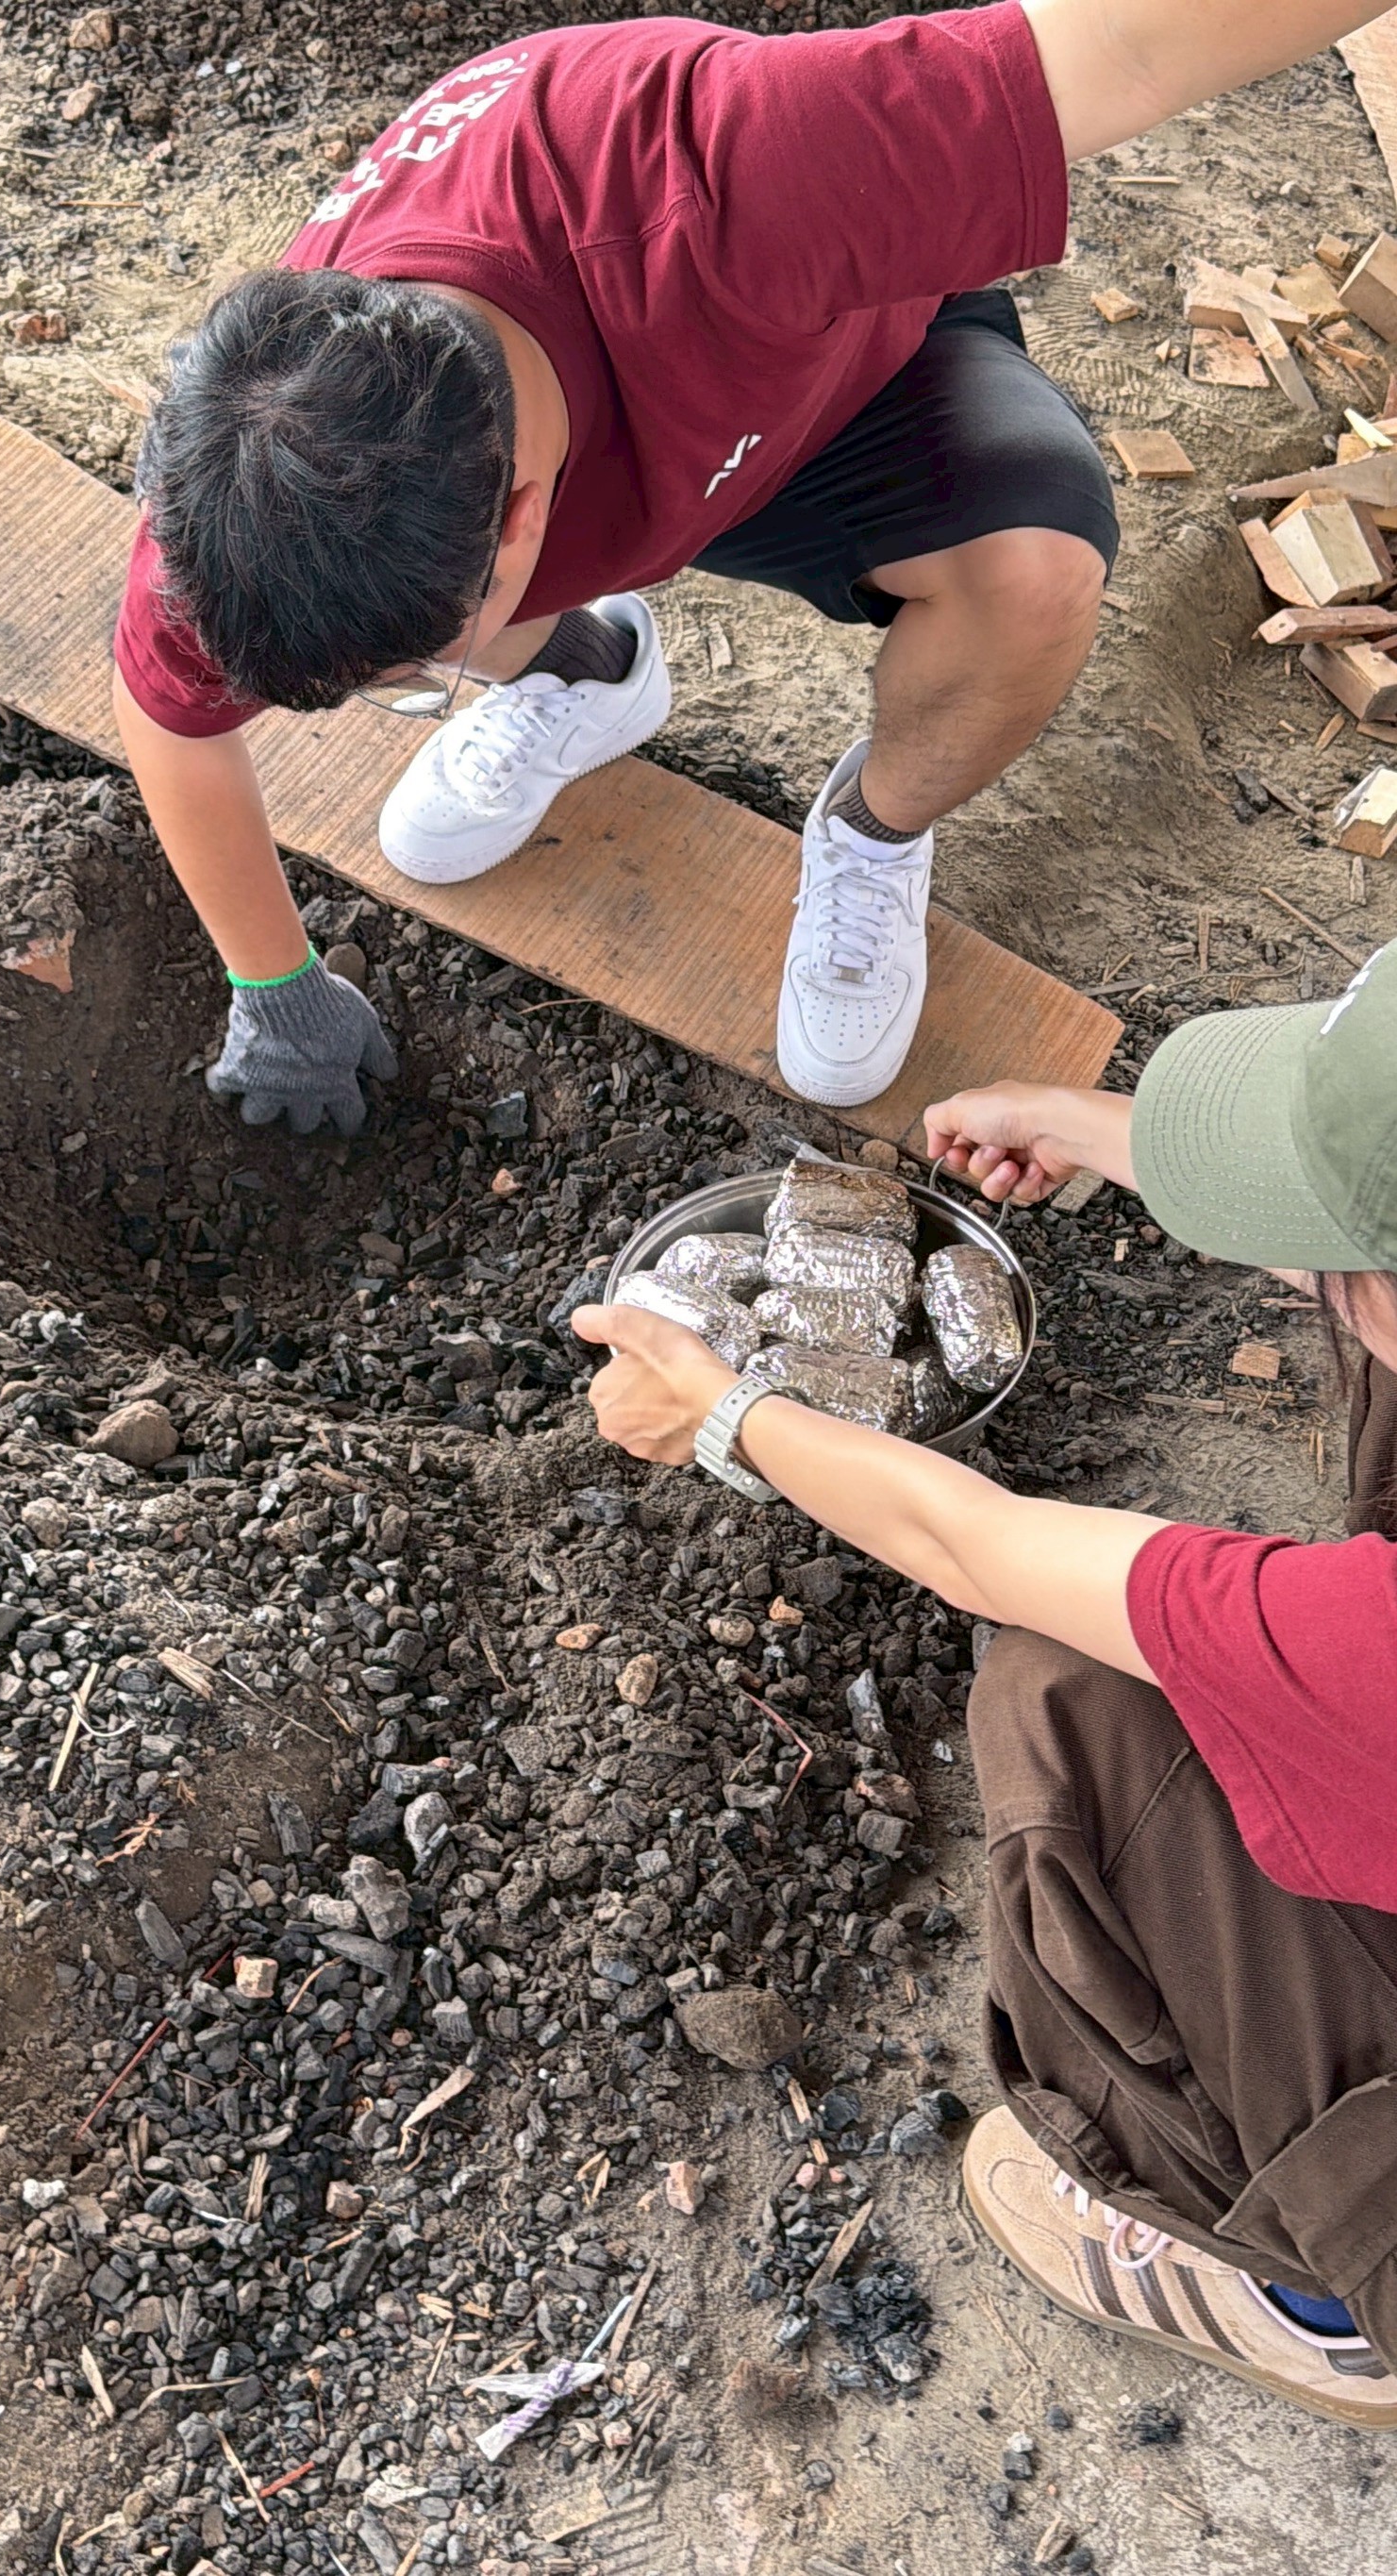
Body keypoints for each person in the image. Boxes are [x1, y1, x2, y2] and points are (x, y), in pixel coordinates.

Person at [115, 0, 1386, 1134]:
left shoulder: (729, 177)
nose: (408, 693)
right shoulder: (256, 469)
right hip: (602, 472)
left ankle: (872, 836)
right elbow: (170, 718)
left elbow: (1130, 48)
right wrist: (276, 984)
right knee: (404, 625)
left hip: (829, 390)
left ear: (525, 528)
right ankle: (589, 670)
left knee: (1034, 578)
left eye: (414, 681)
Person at [573, 938, 1397, 2423]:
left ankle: (1322, 2287)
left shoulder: (1365, 1648)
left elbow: (977, 1546)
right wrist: (1101, 1129)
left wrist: (725, 1413)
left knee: (1064, 1699)